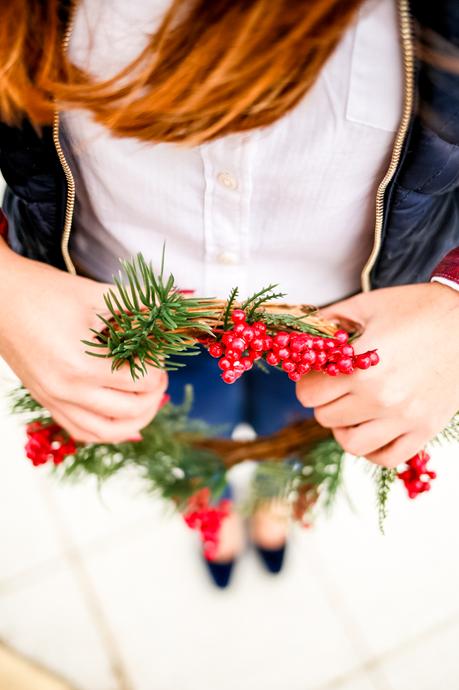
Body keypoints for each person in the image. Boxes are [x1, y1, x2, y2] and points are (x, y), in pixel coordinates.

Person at [0, 0, 458, 587]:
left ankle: (274, 498)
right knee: (189, 438)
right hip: (125, 322)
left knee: (298, 435)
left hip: (344, 330)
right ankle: (209, 505)